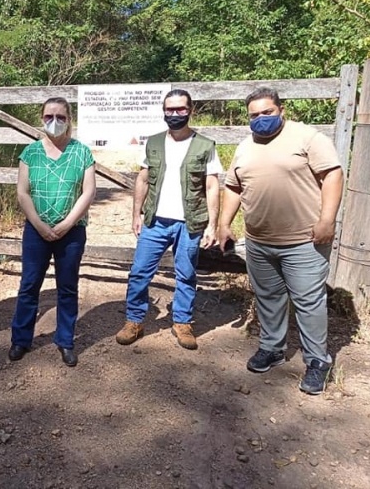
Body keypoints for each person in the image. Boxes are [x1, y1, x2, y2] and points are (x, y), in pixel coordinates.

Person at [219, 88, 343, 395]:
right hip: (259, 241)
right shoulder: (246, 146)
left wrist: (327, 220)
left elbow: (333, 175)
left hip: (303, 240)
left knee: (308, 302)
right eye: (254, 115)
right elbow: (233, 186)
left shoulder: (308, 138)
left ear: (281, 110)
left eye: (267, 113)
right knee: (268, 298)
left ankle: (317, 361)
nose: (260, 119)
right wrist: (223, 223)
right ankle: (272, 348)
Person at [115, 89, 222, 350]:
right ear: (164, 111)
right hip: (155, 221)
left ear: (190, 110)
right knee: (139, 272)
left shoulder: (205, 145)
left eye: (180, 109)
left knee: (186, 274)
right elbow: (142, 179)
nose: (175, 114)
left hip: (190, 222)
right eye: (170, 110)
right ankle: (135, 320)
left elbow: (212, 186)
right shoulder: (152, 143)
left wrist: (212, 225)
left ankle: (182, 322)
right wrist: (136, 214)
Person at [9, 97, 95, 367]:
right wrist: (40, 225)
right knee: (29, 285)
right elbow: (23, 192)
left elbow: (89, 191)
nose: (54, 122)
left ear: (70, 119)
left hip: (72, 231)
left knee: (67, 288)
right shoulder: (30, 153)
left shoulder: (82, 153)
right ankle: (21, 339)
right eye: (49, 116)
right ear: (41, 118)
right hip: (37, 231)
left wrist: (68, 223)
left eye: (60, 116)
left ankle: (65, 340)